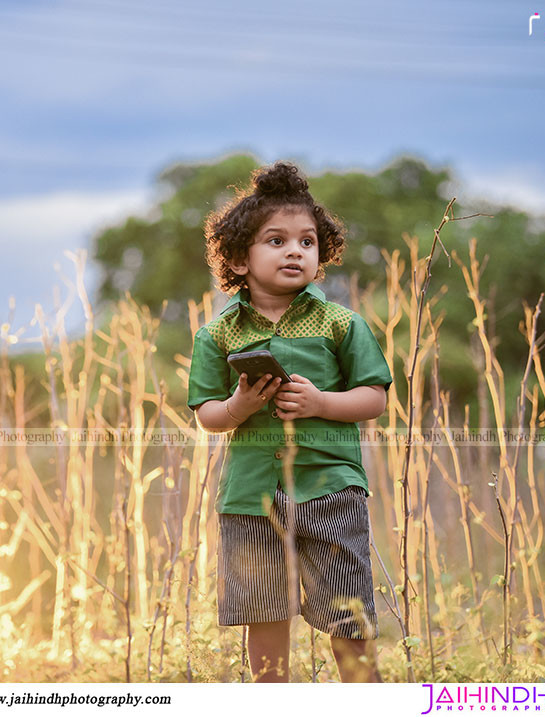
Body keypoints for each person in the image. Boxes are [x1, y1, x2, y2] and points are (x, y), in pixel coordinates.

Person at [187, 160, 393, 683]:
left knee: (348, 615)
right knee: (264, 612)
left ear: (321, 254)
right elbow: (208, 415)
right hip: (252, 494)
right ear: (238, 257)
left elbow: (374, 397)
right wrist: (239, 407)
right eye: (275, 241)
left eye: (306, 241)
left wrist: (322, 403)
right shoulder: (217, 335)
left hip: (331, 490)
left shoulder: (341, 324)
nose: (294, 251)